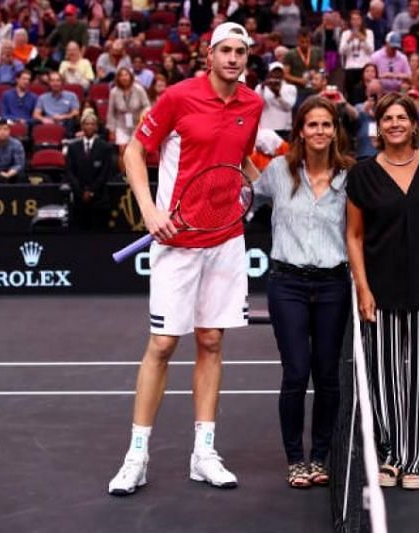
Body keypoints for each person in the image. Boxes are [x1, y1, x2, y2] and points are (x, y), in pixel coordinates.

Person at [107, 21, 263, 496]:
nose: (234, 59)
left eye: (241, 52)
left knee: (212, 341)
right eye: (226, 51)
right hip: (176, 243)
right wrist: (149, 211)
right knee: (162, 345)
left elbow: (242, 165)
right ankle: (136, 456)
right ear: (209, 54)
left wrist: (279, 189)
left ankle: (204, 453)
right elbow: (134, 153)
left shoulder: (253, 104)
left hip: (226, 239)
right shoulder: (177, 97)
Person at [346, 93, 419, 491]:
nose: (394, 123)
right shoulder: (361, 174)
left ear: (415, 125)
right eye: (387, 118)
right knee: (384, 377)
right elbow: (354, 236)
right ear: (378, 127)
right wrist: (362, 286)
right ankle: (391, 455)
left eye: (401, 117)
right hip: (381, 288)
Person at [252, 96, 354, 488]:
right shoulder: (278, 170)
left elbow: (360, 232)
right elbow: (246, 197)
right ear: (299, 130)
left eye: (326, 125)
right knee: (296, 372)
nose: (319, 132)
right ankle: (296, 458)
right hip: (287, 284)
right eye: (312, 125)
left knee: (328, 376)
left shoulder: (349, 175)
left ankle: (321, 456)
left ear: (335, 130)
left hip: (333, 285)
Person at [65, 112, 114, 231]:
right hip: (78, 199)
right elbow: (70, 172)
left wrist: (91, 191)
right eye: (86, 124)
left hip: (99, 199)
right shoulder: (73, 147)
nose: (89, 127)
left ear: (96, 127)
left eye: (92, 124)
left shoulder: (105, 147)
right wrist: (81, 192)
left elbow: (105, 173)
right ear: (82, 126)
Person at [106, 66, 149, 169]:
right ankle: (124, 177)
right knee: (122, 150)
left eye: (126, 75)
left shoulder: (139, 89)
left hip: (137, 123)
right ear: (118, 78)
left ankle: (138, 175)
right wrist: (111, 129)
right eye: (121, 75)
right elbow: (111, 111)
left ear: (130, 76)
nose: (124, 77)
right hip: (121, 124)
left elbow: (147, 105)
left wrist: (143, 116)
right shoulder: (114, 92)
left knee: (137, 151)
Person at [339, 10, 375, 100]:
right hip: (350, 68)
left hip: (364, 67)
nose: (355, 22)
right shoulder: (346, 34)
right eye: (353, 19)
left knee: (364, 94)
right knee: (350, 94)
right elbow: (341, 51)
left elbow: (371, 50)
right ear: (350, 21)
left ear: (361, 20)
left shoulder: (369, 33)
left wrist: (363, 38)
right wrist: (349, 40)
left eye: (358, 19)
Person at [255, 62, 297, 140]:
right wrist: (263, 88)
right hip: (266, 128)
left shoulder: (291, 88)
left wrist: (277, 95)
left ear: (283, 74)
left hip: (284, 128)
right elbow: (258, 105)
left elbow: (288, 107)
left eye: (279, 72)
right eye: (274, 72)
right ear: (269, 73)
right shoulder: (261, 87)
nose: (276, 74)